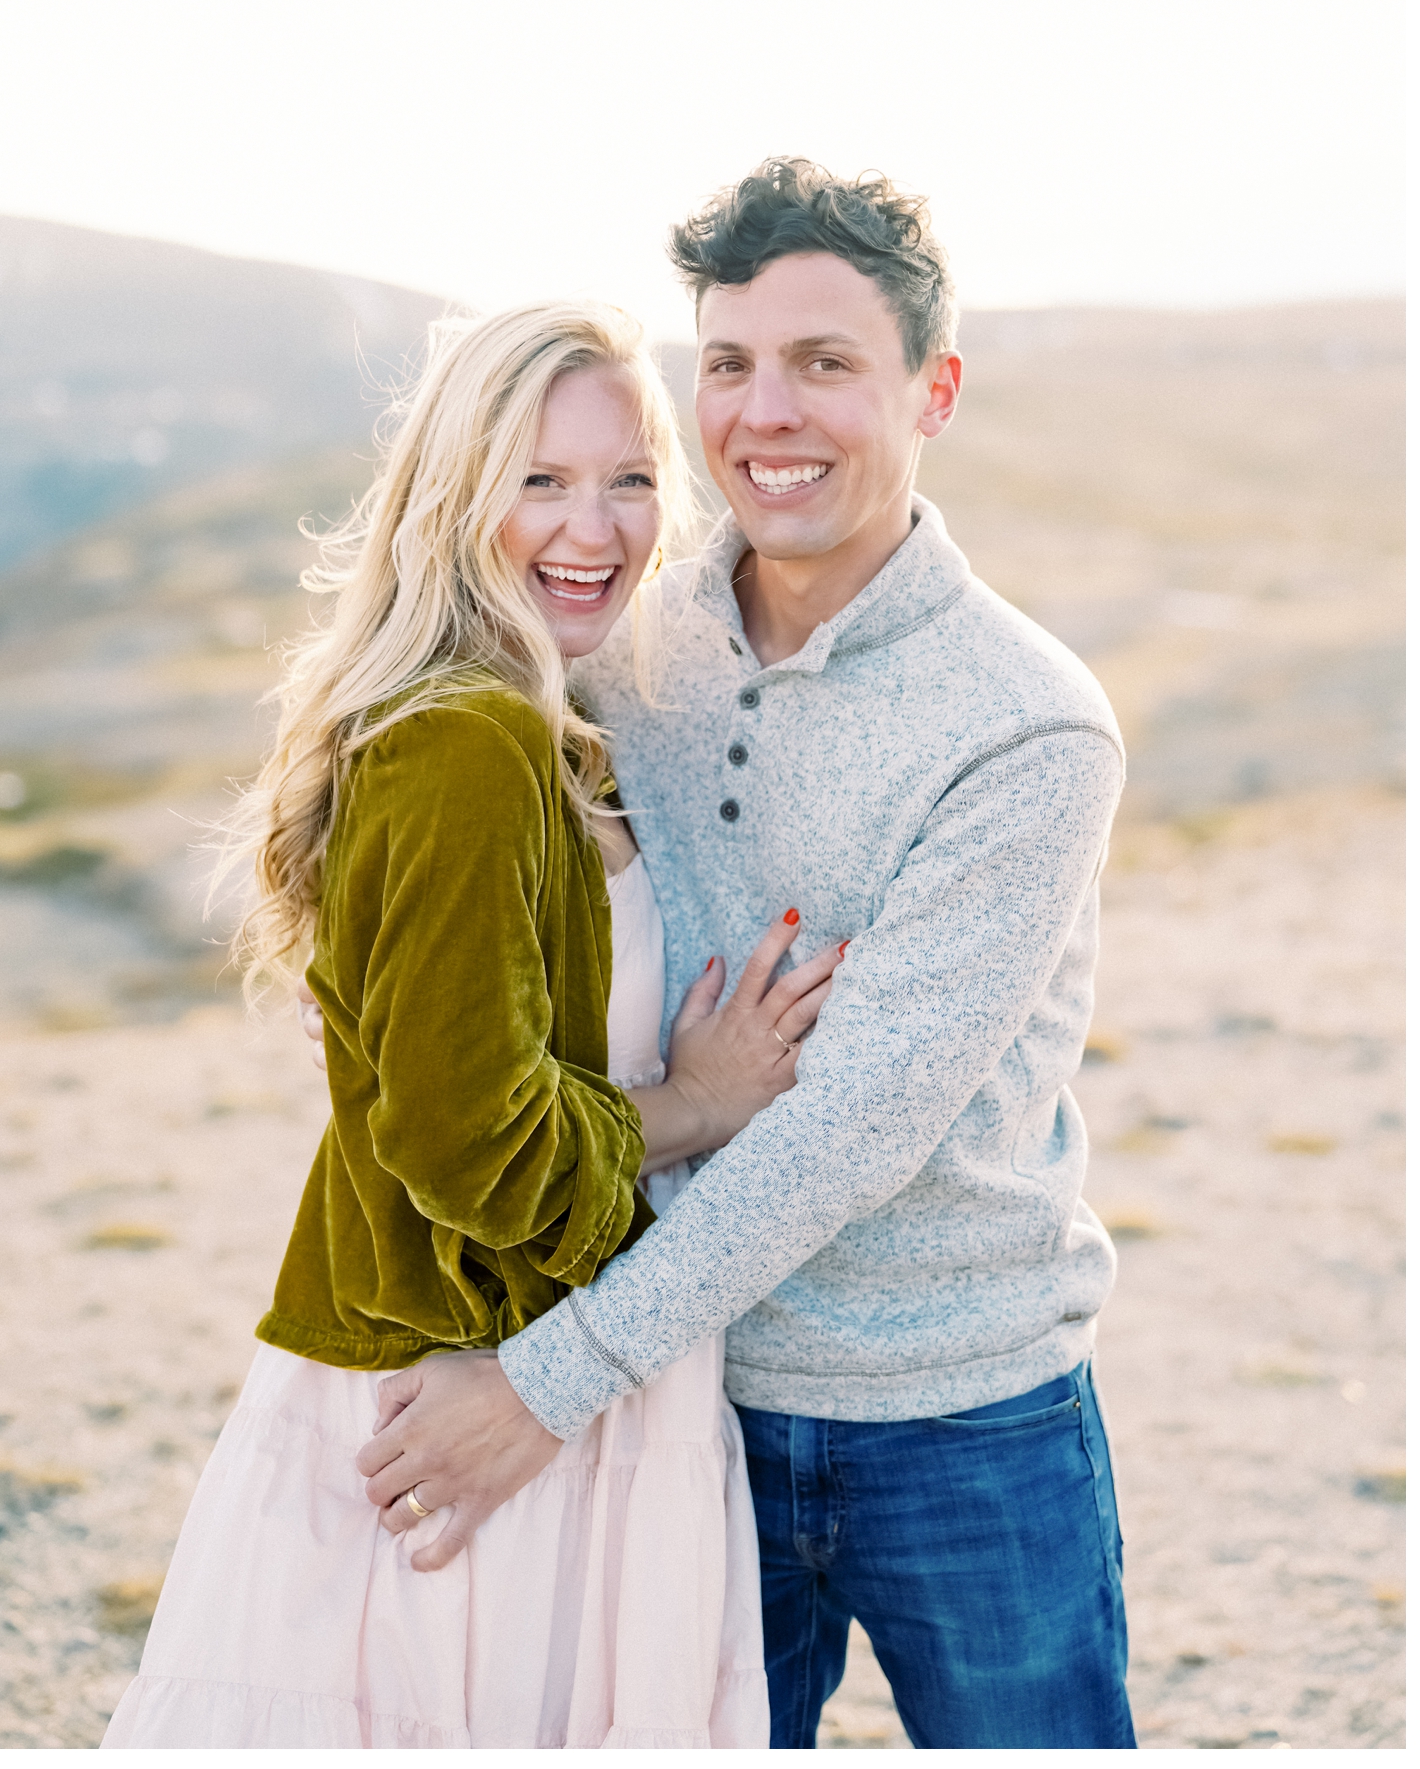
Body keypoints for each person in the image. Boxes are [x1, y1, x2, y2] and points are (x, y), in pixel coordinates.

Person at [355, 161, 1137, 1750]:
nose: (764, 413)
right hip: (680, 1395)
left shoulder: (1027, 724)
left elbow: (850, 1130)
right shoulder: (626, 645)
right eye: (727, 363)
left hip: (959, 1414)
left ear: (935, 392)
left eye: (825, 364)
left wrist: (538, 1386)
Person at [101, 298, 843, 1748]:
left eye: (630, 480)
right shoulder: (467, 742)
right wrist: (697, 1101)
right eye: (541, 479)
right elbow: (465, 1136)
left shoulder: (560, 725)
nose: (596, 526)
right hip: (467, 1386)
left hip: (560, 1371)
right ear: (456, 497)